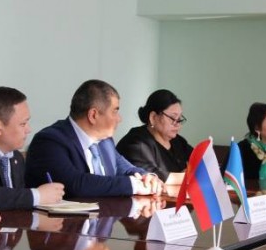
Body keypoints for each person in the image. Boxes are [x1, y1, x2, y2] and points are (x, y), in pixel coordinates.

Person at [25, 79, 163, 197]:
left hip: (106, 216)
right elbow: (74, 184)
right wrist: (133, 185)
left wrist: (147, 177)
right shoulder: (49, 141)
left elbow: (127, 169)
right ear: (93, 115)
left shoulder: (105, 141)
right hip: (64, 220)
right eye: (115, 111)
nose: (119, 119)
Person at [116, 89, 193, 181]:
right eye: (173, 118)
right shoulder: (136, 143)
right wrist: (186, 176)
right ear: (153, 117)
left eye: (179, 118)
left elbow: (199, 160)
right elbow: (150, 176)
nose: (178, 124)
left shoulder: (178, 141)